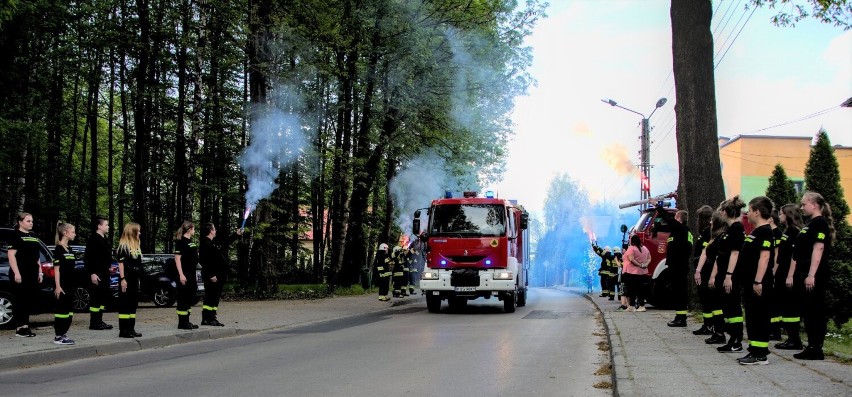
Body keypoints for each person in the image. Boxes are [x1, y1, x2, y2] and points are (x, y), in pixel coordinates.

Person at [790, 192, 834, 360]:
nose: (801, 207)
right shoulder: (812, 223)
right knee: (808, 311)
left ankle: (816, 348)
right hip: (806, 272)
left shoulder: (819, 223)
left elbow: (819, 248)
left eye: (804, 204)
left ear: (814, 205)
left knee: (814, 310)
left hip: (813, 274)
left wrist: (811, 275)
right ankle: (811, 346)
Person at [735, 196, 775, 365]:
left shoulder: (765, 231)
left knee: (758, 317)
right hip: (751, 282)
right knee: (752, 317)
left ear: (757, 212)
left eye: (750, 210)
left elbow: (764, 258)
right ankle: (755, 349)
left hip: (758, 283)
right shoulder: (756, 231)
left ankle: (759, 354)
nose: (747, 213)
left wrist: (758, 281)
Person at [713, 196, 746, 351]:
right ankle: (732, 338)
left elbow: (734, 254)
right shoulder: (729, 229)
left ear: (725, 212)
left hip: (731, 275)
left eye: (721, 210)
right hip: (724, 274)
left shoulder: (737, 228)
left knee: (733, 307)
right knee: (728, 307)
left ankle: (736, 340)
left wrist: (728, 276)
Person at [8, 213, 44, 338]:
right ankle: (19, 327)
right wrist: (17, 273)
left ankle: (26, 326)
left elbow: (37, 256)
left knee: (28, 300)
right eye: (28, 221)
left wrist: (40, 271)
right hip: (21, 272)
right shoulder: (15, 235)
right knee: (20, 300)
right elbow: (11, 255)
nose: (31, 223)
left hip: (32, 272)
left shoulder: (33, 236)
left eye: (32, 221)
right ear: (20, 222)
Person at [199, 222, 242, 326]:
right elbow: (204, 261)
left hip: (216, 275)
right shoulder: (206, 244)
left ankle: (206, 318)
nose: (215, 231)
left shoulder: (212, 243)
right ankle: (211, 318)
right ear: (210, 231)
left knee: (211, 297)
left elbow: (225, 243)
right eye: (214, 229)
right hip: (213, 276)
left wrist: (236, 234)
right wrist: (211, 275)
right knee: (213, 297)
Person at [695, 211, 728, 344]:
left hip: (715, 273)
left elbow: (717, 258)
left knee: (716, 304)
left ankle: (720, 332)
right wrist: (698, 270)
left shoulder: (721, 237)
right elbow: (704, 252)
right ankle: (716, 330)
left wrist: (713, 276)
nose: (710, 222)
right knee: (711, 303)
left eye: (712, 220)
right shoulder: (713, 236)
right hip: (708, 271)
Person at [774, 203, 803, 350]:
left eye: (781, 213)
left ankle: (794, 340)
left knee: (790, 307)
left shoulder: (793, 232)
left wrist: (790, 275)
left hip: (789, 274)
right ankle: (791, 338)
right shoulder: (787, 231)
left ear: (789, 215)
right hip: (782, 273)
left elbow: (794, 256)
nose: (779, 216)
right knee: (785, 307)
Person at [664, 209, 693, 328]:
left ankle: (681, 319)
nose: (674, 219)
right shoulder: (680, 231)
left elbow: (668, 219)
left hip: (679, 266)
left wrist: (656, 205)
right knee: (678, 292)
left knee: (680, 292)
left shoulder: (681, 229)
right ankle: (680, 316)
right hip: (676, 266)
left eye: (676, 217)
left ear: (679, 219)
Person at [85, 215, 113, 330]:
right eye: (106, 224)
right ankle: (94, 322)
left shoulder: (104, 240)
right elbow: (88, 258)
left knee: (102, 298)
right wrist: (92, 273)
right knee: (96, 298)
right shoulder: (93, 240)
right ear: (99, 226)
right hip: (97, 273)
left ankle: (99, 321)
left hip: (105, 273)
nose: (108, 227)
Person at [115, 222, 143, 338]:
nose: (140, 233)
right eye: (138, 231)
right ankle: (124, 330)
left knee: (132, 304)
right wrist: (123, 279)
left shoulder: (136, 246)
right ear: (133, 232)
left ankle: (131, 329)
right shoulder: (123, 247)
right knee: (125, 305)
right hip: (126, 279)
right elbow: (121, 264)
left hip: (134, 279)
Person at [52, 222, 77, 345]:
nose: (75, 234)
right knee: (61, 311)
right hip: (62, 286)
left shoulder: (70, 249)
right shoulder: (58, 249)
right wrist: (58, 286)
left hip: (71, 285)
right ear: (65, 233)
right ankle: (58, 336)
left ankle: (64, 333)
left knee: (69, 312)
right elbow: (56, 269)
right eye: (73, 232)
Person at [691, 205, 714, 335]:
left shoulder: (708, 232)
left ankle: (709, 325)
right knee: (704, 298)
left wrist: (699, 269)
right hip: (703, 270)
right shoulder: (705, 232)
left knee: (706, 298)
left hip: (706, 271)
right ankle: (707, 323)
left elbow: (706, 253)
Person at [174, 221, 199, 330]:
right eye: (194, 228)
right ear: (189, 229)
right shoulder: (181, 242)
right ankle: (182, 323)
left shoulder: (190, 241)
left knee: (189, 297)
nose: (195, 230)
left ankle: (187, 321)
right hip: (184, 274)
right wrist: (181, 275)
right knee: (183, 298)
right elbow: (177, 259)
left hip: (191, 273)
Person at [767, 209, 784, 341]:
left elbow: (777, 254)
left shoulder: (777, 233)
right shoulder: (770, 233)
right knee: (771, 303)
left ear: (771, 219)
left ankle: (775, 331)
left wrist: (773, 270)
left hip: (775, 272)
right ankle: (772, 329)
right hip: (771, 271)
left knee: (774, 303)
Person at [622, 235, 650, 312]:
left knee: (631, 290)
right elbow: (649, 258)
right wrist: (645, 264)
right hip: (641, 272)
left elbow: (631, 259)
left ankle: (632, 306)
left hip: (631, 272)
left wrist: (639, 265)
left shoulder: (631, 248)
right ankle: (642, 305)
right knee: (640, 289)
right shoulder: (645, 248)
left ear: (632, 241)